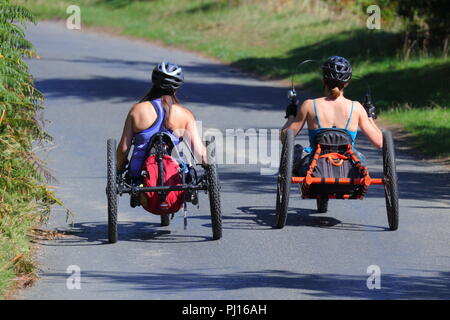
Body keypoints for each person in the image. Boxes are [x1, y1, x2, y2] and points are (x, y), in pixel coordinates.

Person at [116, 62, 207, 204]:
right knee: (186, 166)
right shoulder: (185, 114)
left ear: (154, 81)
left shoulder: (137, 110)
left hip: (139, 174)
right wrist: (208, 168)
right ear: (177, 87)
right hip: (176, 176)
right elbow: (199, 153)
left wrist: (119, 168)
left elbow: (123, 149)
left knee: (132, 170)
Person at [281, 56, 383, 175]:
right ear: (346, 83)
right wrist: (370, 118)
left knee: (297, 151)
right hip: (349, 171)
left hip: (315, 168)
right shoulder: (357, 107)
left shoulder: (309, 105)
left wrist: (291, 116)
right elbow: (379, 142)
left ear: (323, 80)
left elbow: (285, 138)